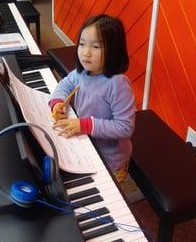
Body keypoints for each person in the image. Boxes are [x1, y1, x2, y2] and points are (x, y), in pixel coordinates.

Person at [49, 14, 135, 183]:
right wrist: (58, 102)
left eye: (95, 46)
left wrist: (84, 124)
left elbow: (125, 127)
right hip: (86, 144)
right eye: (82, 44)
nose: (86, 52)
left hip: (110, 160)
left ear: (113, 51)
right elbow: (64, 85)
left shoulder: (117, 84)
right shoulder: (82, 73)